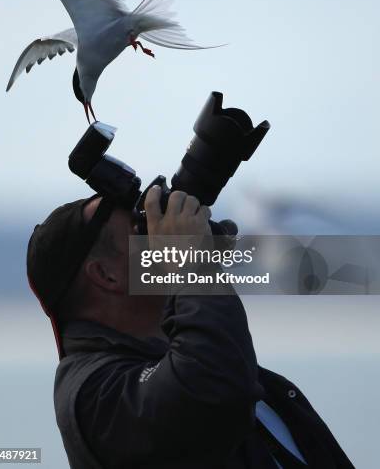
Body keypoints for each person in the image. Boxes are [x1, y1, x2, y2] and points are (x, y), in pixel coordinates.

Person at [27, 187, 354, 469]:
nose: (159, 235)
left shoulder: (213, 361)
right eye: (140, 228)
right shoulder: (95, 396)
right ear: (105, 275)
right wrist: (193, 264)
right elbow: (212, 387)